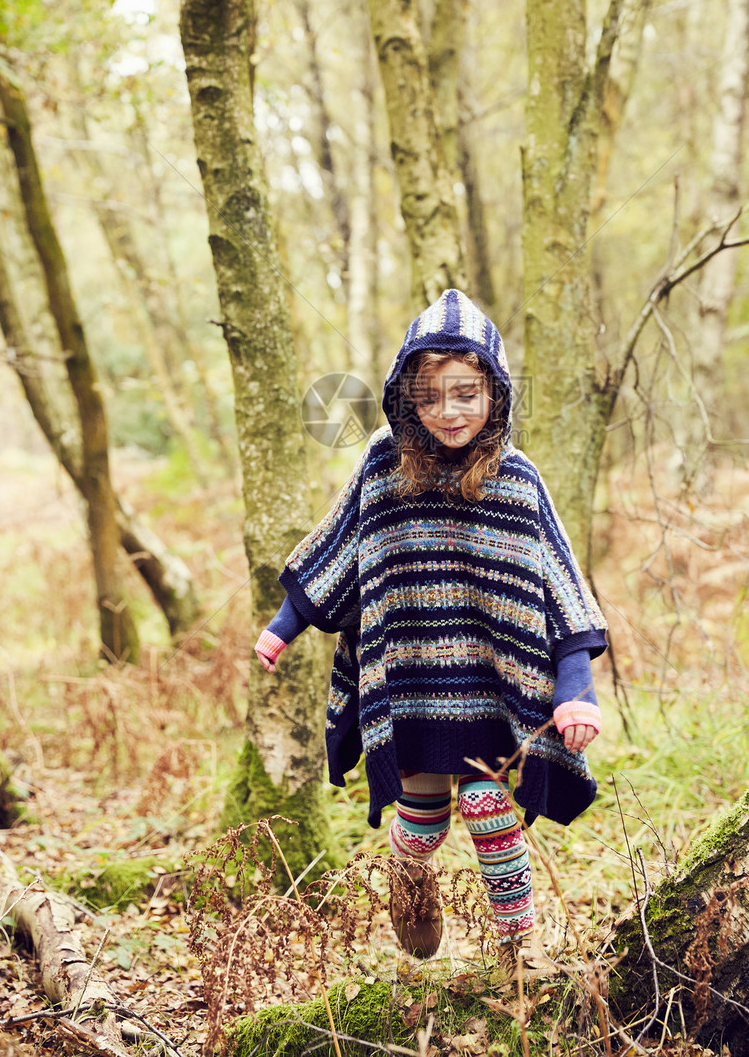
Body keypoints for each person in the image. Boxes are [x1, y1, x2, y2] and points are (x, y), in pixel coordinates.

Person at [254, 290, 606, 985]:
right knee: (421, 817)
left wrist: (576, 691)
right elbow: (338, 548)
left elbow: (560, 587)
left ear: (496, 393)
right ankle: (409, 881)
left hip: (493, 686)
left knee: (485, 804)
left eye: (466, 394)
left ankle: (518, 948)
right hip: (409, 684)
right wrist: (282, 627)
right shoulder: (385, 467)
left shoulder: (518, 479)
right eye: (431, 398)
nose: (450, 413)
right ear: (406, 400)